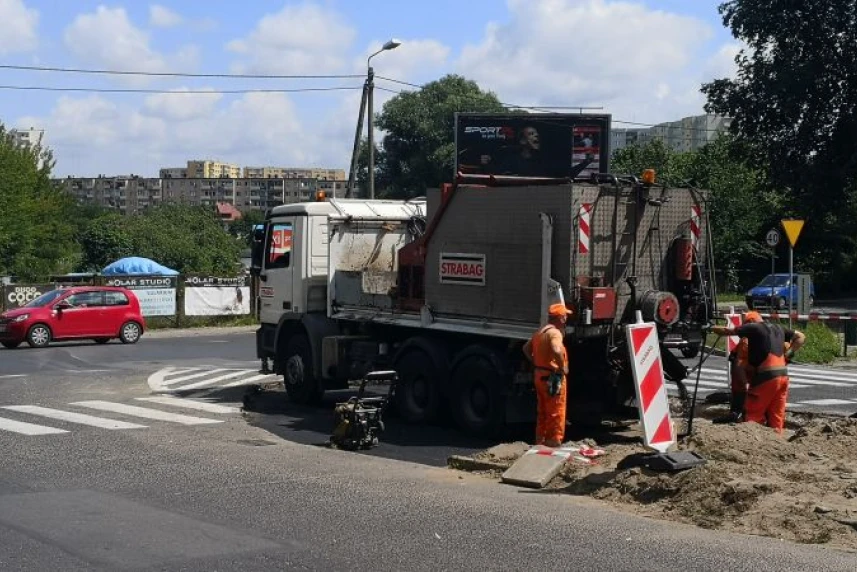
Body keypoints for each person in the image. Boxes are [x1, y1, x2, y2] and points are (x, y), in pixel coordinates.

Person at [712, 311, 806, 433]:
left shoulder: (752, 331)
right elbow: (801, 337)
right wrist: (788, 355)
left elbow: (726, 332)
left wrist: (710, 327)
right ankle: (776, 443)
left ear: (750, 322)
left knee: (752, 417)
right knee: (776, 417)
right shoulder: (778, 328)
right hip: (783, 377)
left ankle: (754, 446)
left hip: (765, 377)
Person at [522, 303, 572, 447]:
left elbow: (525, 348)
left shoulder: (540, 332)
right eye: (565, 315)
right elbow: (556, 350)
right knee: (556, 409)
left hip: (539, 375)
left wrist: (536, 362)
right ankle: (554, 441)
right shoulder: (555, 333)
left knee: (542, 409)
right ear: (561, 318)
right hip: (552, 376)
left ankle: (540, 440)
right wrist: (562, 367)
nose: (566, 318)